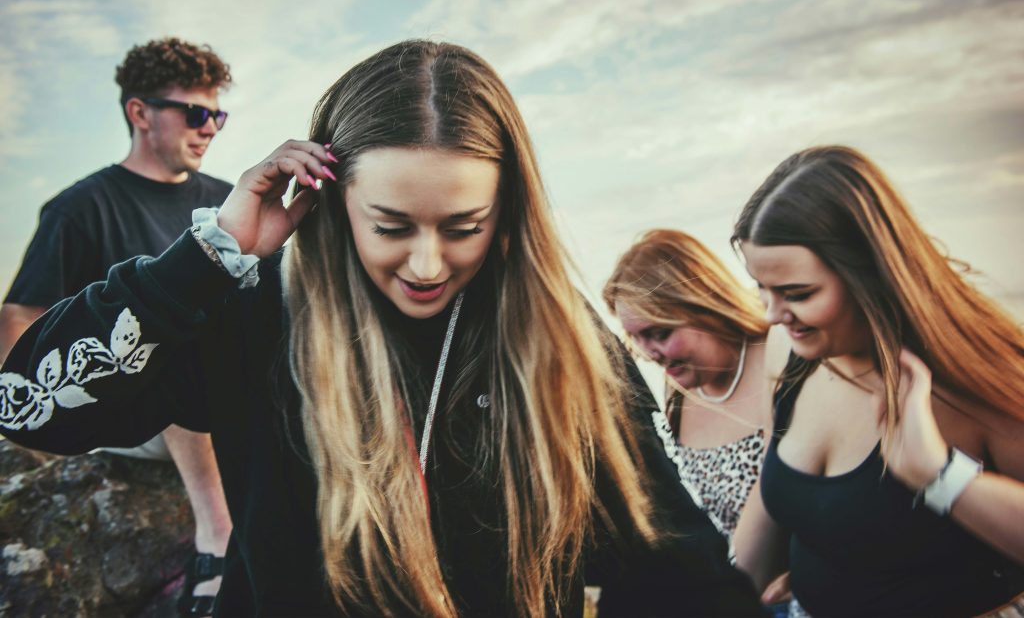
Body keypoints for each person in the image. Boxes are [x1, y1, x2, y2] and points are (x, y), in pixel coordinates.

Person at [0, 40, 765, 617]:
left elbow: (667, 552)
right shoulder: (255, 310)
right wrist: (206, 259)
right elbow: (28, 403)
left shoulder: (558, 339)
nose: (427, 263)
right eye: (391, 224)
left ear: (506, 214)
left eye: (463, 225)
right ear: (333, 202)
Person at [731, 145, 1024, 616]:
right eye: (762, 289)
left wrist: (939, 476)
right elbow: (771, 503)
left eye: (797, 293)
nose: (772, 314)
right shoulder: (790, 355)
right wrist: (724, 600)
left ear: (872, 272)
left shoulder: (976, 379)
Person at [0, 37, 235, 616]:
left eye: (218, 115)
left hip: (232, 400)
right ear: (140, 113)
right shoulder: (78, 209)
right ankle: (218, 535)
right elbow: (22, 316)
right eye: (196, 113)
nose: (210, 129)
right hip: (123, 407)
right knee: (170, 339)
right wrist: (27, 433)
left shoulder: (229, 202)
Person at [602, 228, 773, 541]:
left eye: (660, 333)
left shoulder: (779, 358)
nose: (649, 353)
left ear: (704, 304)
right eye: (636, 338)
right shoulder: (679, 387)